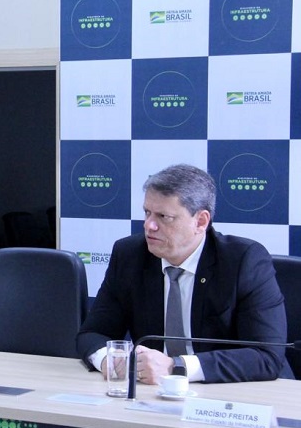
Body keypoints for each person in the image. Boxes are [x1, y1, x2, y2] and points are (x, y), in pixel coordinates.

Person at [76, 164, 292, 384]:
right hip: (152, 391)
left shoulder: (243, 261)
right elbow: (92, 334)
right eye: (147, 213)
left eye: (164, 217)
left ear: (200, 221)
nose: (149, 225)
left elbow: (266, 356)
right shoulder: (129, 255)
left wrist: (176, 367)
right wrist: (110, 360)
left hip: (236, 392)